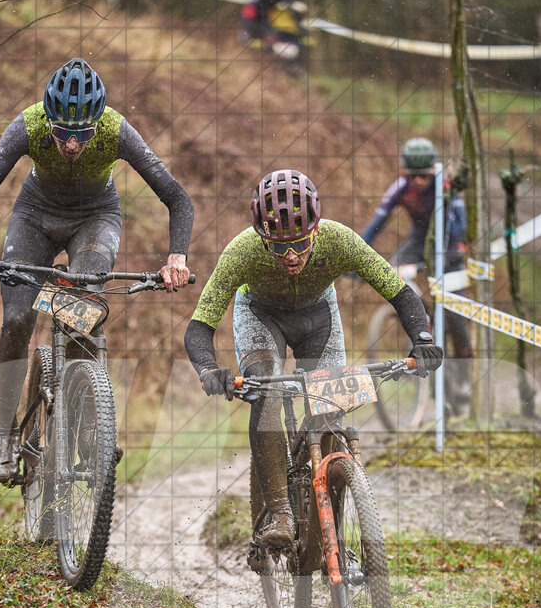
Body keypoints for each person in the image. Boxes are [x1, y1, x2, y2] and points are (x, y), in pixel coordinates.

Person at [0, 57, 193, 483]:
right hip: (35, 216)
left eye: (81, 133)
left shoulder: (115, 129)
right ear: (49, 120)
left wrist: (177, 256)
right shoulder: (29, 125)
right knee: (16, 319)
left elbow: (177, 197)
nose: (71, 143)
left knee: (81, 315)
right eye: (62, 132)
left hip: (95, 218)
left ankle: (89, 433)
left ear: (96, 123)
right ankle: (6, 431)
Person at [183, 168, 442, 549]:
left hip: (318, 316)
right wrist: (208, 369)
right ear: (261, 237)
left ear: (316, 230)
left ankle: (329, 518)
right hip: (260, 317)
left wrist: (422, 339)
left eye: (301, 243)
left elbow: (400, 293)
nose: (290, 256)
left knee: (332, 410)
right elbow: (200, 326)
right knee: (267, 395)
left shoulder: (340, 240)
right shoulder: (241, 250)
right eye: (278, 246)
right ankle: (280, 514)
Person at [361, 137, 473, 411]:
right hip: (418, 241)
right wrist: (358, 257)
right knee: (394, 273)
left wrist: (455, 252)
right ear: (404, 173)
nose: (419, 181)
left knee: (456, 316)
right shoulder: (400, 188)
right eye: (413, 175)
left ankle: (464, 377)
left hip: (448, 244)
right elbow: (376, 223)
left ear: (433, 172)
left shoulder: (445, 186)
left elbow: (460, 225)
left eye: (424, 176)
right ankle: (420, 320)